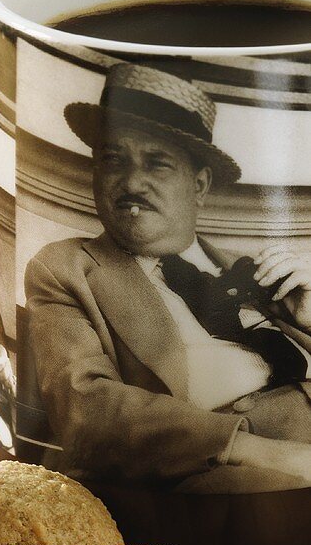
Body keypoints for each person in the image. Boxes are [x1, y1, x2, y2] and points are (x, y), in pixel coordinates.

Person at [23, 62, 311, 493]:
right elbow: (88, 412)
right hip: (229, 470)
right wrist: (267, 453)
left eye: (157, 164)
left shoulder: (261, 268)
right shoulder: (66, 268)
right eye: (113, 160)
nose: (132, 181)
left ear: (198, 184)